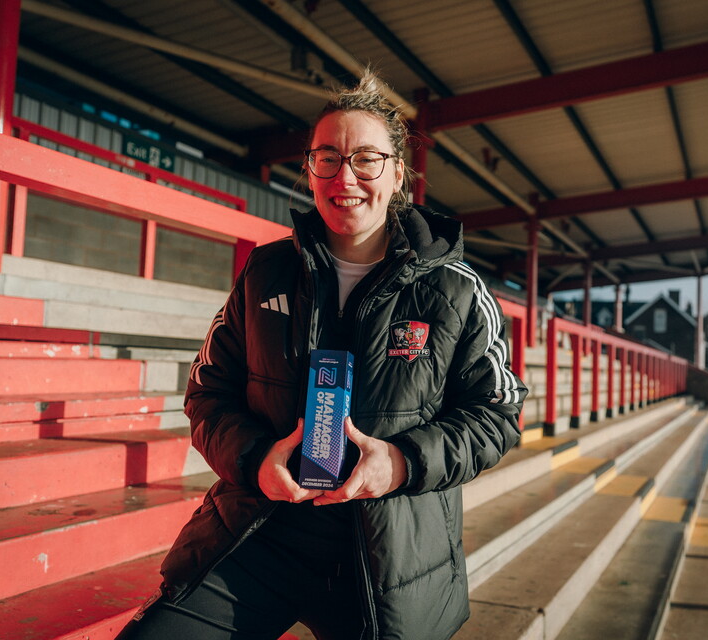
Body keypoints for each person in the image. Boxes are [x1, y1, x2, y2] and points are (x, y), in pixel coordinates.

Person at [116, 72, 527, 640]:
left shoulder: (455, 290)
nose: (346, 177)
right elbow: (208, 391)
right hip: (259, 533)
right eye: (327, 157)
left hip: (388, 559)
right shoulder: (266, 272)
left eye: (366, 158)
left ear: (397, 173)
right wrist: (257, 460)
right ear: (309, 170)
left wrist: (399, 462)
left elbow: (496, 416)